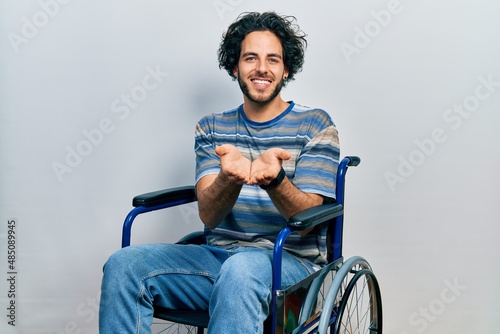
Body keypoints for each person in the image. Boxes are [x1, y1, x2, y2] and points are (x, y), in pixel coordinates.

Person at [99, 11, 340, 334]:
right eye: (250, 58)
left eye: (273, 60)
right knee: (123, 265)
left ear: (286, 71)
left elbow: (310, 218)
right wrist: (229, 178)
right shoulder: (213, 127)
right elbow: (209, 216)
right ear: (234, 67)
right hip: (218, 260)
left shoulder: (315, 125)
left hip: (290, 267)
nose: (262, 69)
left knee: (241, 271)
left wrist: (276, 181)